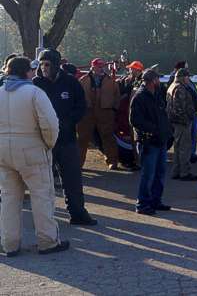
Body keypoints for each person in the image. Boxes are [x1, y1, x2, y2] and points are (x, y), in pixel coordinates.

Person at [0, 56, 70, 255]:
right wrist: (48, 145)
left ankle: (9, 244)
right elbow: (50, 124)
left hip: (3, 151)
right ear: (25, 72)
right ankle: (47, 241)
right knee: (42, 196)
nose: (34, 72)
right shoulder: (34, 92)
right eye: (31, 70)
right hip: (31, 150)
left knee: (9, 198)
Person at [33, 49, 97, 226]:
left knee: (72, 179)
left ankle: (77, 214)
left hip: (66, 139)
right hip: (42, 141)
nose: (44, 68)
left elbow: (81, 105)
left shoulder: (70, 82)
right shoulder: (35, 83)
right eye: (41, 64)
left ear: (56, 65)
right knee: (42, 181)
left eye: (47, 64)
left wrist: (69, 121)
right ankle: (44, 219)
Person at [130, 69, 173, 214]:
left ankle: (155, 201)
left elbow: (162, 115)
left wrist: (166, 132)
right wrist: (154, 129)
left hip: (159, 140)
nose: (159, 82)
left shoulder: (156, 95)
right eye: (157, 79)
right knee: (148, 174)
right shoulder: (140, 97)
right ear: (152, 81)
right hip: (148, 141)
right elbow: (134, 120)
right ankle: (142, 204)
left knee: (160, 173)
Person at [77, 58, 121, 170]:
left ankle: (112, 161)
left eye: (102, 66)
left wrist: (113, 110)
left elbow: (117, 96)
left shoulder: (111, 81)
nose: (101, 68)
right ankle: (78, 163)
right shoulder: (83, 80)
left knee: (108, 137)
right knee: (82, 138)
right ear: (93, 67)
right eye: (99, 66)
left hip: (105, 112)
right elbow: (77, 97)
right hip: (87, 112)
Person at [167, 68, 197, 181]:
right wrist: (187, 119)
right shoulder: (180, 88)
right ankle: (185, 173)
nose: (188, 79)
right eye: (187, 77)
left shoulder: (172, 86)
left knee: (178, 147)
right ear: (182, 77)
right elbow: (179, 107)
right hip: (182, 122)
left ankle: (176, 171)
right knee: (184, 148)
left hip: (176, 122)